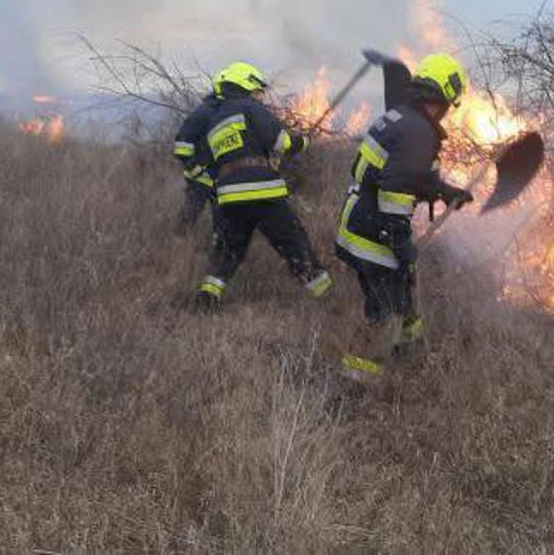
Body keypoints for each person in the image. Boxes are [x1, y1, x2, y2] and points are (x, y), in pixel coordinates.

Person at [335, 51, 474, 379]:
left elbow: (399, 174)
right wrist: (400, 244)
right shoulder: (418, 132)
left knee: (403, 294)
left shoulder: (402, 118)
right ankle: (354, 384)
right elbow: (395, 190)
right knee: (386, 314)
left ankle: (409, 356)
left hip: (361, 222)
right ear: (445, 95)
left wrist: (445, 191)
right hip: (374, 234)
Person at [194, 61, 333, 309]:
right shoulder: (249, 106)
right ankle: (327, 298)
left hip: (228, 195)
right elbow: (281, 143)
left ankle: (208, 296)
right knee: (293, 242)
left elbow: (221, 159)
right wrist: (303, 143)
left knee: (228, 249)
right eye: (258, 90)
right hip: (263, 191)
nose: (260, 96)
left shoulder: (215, 121)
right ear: (247, 85)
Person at [172, 90, 220, 233]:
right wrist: (193, 167)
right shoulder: (204, 112)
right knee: (191, 212)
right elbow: (182, 143)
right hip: (200, 176)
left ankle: (218, 246)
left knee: (221, 216)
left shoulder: (222, 111)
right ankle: (178, 243)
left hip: (218, 176)